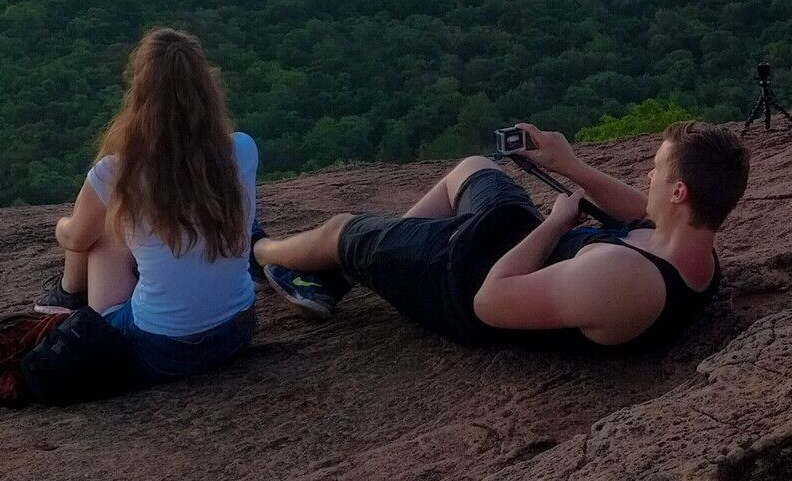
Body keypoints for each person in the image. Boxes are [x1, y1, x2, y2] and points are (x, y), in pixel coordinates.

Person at [251, 122, 746, 356]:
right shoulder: (693, 248)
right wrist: (568, 165)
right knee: (473, 168)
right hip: (515, 241)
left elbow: (491, 302)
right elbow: (640, 211)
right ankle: (357, 268)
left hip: (464, 279)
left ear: (679, 192)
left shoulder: (625, 279)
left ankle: (258, 251)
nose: (647, 175)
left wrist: (556, 222)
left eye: (657, 170)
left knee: (343, 229)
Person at [38, 27, 260, 386]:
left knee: (102, 235)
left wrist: (60, 225)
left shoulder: (117, 173)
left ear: (139, 95)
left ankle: (66, 295)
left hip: (161, 353)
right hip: (238, 331)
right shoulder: (243, 150)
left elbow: (77, 239)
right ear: (208, 89)